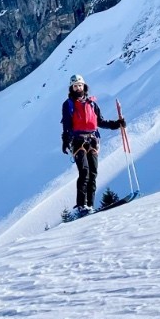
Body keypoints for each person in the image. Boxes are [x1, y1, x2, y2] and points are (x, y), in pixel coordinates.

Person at [61, 74, 125, 214]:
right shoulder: (68, 104)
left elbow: (100, 122)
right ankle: (81, 206)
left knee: (93, 173)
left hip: (93, 140)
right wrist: (65, 140)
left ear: (84, 86)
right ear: (71, 88)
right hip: (78, 141)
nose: (78, 88)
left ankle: (90, 205)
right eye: (75, 86)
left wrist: (117, 124)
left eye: (80, 85)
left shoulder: (92, 104)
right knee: (84, 172)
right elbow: (66, 124)